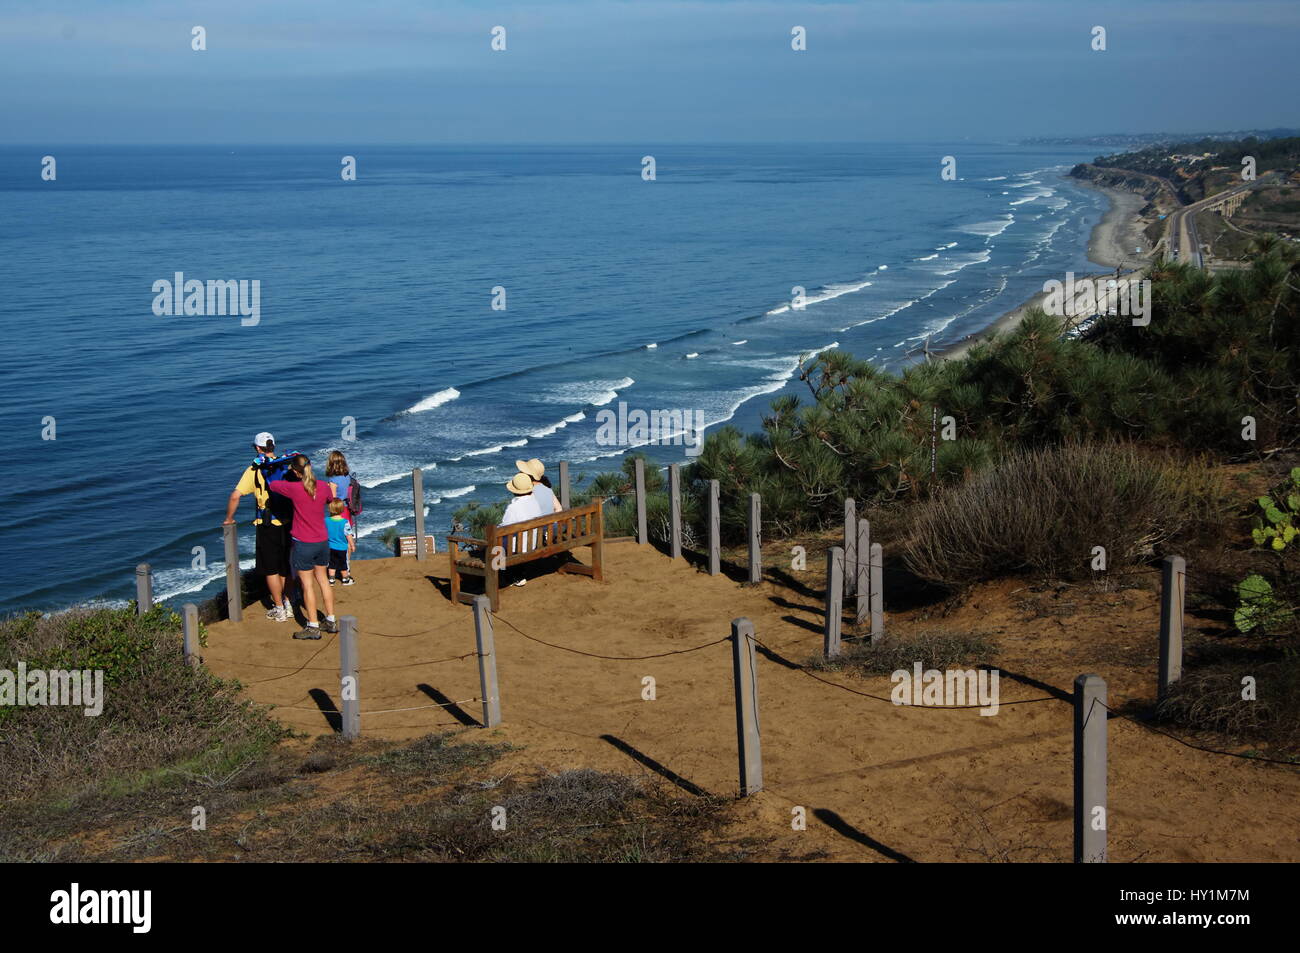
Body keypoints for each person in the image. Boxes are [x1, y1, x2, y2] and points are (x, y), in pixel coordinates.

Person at [224, 432, 300, 622]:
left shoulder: (255, 469)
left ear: (258, 448)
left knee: (271, 569)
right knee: (286, 565)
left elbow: (235, 495)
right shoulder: (286, 465)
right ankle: (290, 602)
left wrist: (229, 518)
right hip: (289, 522)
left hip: (267, 525)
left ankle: (279, 608)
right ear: (273, 446)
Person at [269, 455, 338, 640]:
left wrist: (279, 468)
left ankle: (313, 626)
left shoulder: (294, 488)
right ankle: (331, 620)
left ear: (295, 471)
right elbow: (330, 498)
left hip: (303, 542)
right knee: (323, 580)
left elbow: (272, 484)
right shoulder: (323, 486)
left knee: (307, 585)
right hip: (322, 541)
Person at [501, 472, 542, 587]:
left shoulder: (513, 507)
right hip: (532, 543)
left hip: (519, 547)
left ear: (514, 491)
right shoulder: (535, 501)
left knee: (496, 543)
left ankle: (503, 575)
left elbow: (504, 528)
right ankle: (516, 573)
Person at [325, 498, 355, 586]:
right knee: (343, 564)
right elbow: (348, 535)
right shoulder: (345, 522)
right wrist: (352, 545)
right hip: (342, 547)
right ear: (342, 509)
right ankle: (345, 579)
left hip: (330, 546)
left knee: (331, 563)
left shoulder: (326, 520)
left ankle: (331, 580)